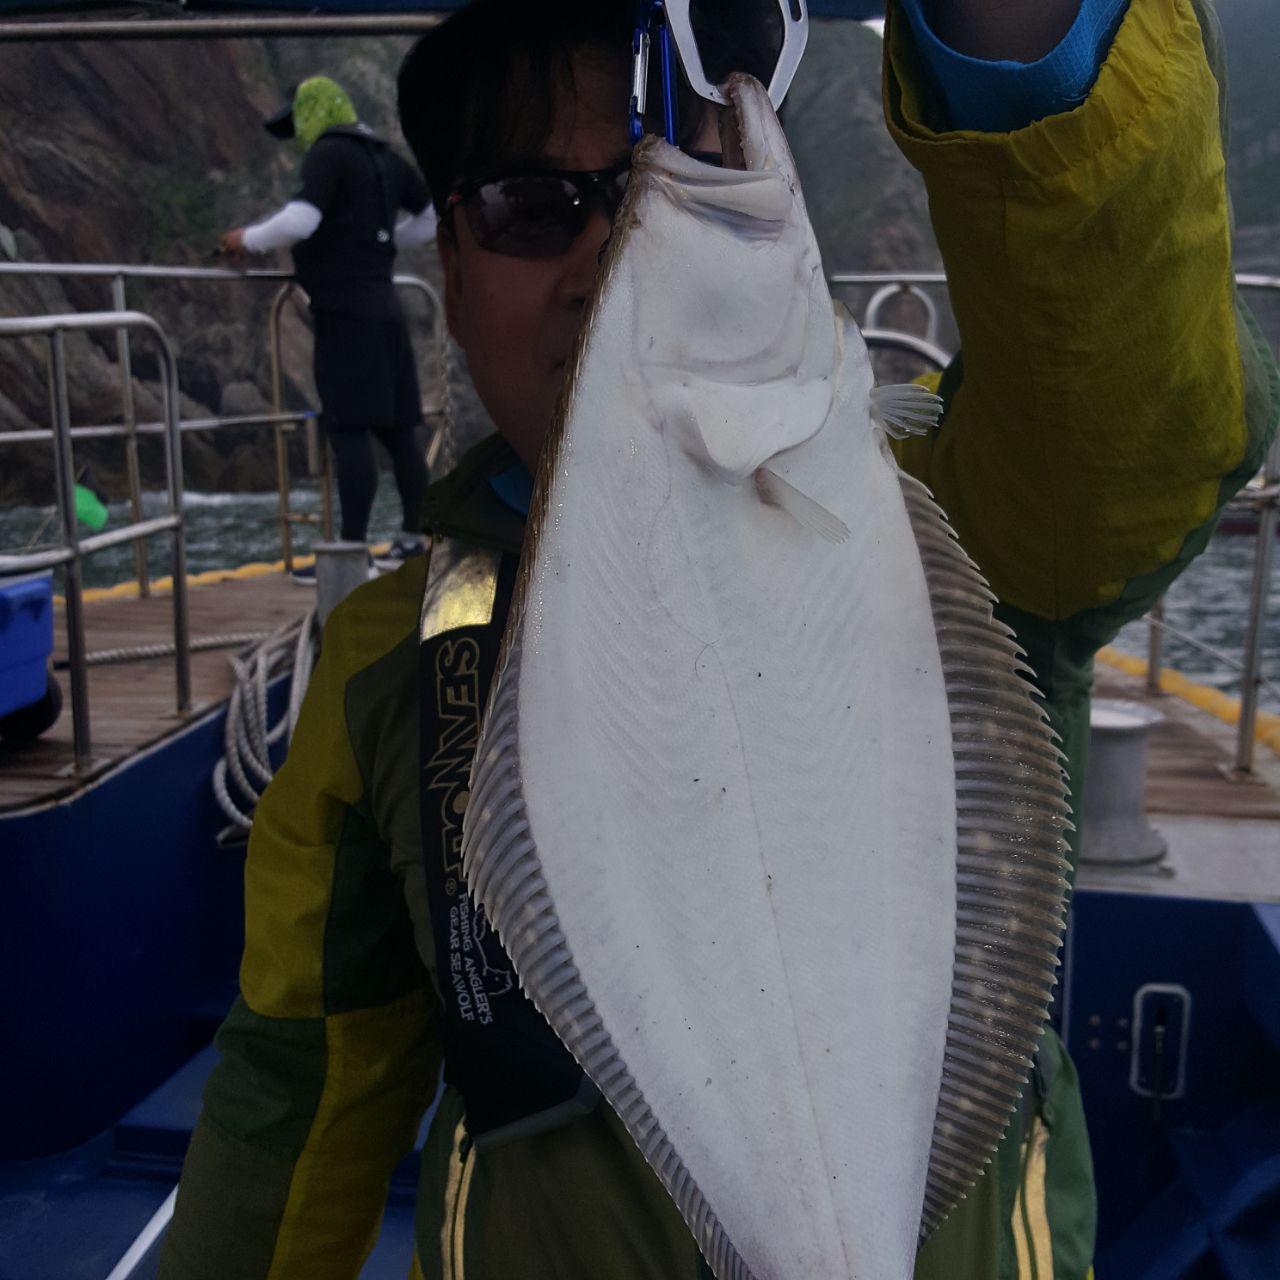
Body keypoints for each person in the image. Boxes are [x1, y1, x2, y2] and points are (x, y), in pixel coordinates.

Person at [164, 3, 1277, 1278]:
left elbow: (1141, 425)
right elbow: (290, 1097)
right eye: (535, 206)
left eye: (640, 185)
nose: (601, 254)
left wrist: (1012, 37)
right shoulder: (383, 670)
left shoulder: (960, 531)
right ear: (452, 281)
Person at [219, 75, 438, 572]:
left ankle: (349, 552)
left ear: (316, 113)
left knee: (349, 430)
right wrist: (378, 240)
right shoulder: (384, 157)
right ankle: (411, 538)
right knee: (399, 430)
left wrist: (245, 239)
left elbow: (301, 221)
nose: (300, 136)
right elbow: (432, 221)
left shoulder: (329, 154)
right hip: (387, 311)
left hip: (345, 315)